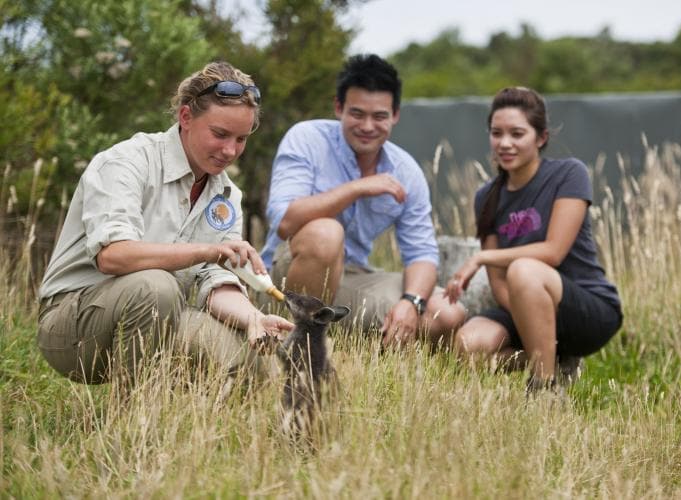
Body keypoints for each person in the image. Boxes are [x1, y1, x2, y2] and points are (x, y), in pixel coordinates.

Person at [37, 61, 293, 387]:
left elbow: (215, 278)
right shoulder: (126, 161)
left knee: (252, 364)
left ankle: (183, 428)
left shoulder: (227, 195)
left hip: (159, 314)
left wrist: (253, 318)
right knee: (156, 286)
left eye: (241, 139)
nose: (230, 150)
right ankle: (132, 426)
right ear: (186, 117)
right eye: (220, 134)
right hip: (72, 326)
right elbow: (113, 255)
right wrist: (207, 250)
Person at [260, 54, 465, 348]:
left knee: (446, 312)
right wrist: (357, 188)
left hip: (351, 278)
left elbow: (422, 254)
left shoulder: (405, 171)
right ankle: (302, 347)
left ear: (395, 115)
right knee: (326, 233)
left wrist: (411, 302)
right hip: (282, 279)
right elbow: (284, 222)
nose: (368, 126)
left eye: (380, 116)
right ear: (338, 107)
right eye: (357, 114)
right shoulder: (306, 138)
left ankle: (349, 340)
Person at [444, 87, 622, 392]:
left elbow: (552, 252)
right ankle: (551, 358)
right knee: (466, 346)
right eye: (496, 133)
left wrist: (481, 257)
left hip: (585, 308)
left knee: (524, 269)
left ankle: (543, 388)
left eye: (517, 134)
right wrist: (531, 318)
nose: (505, 143)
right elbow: (500, 287)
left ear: (540, 138)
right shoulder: (486, 196)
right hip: (521, 306)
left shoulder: (568, 174)